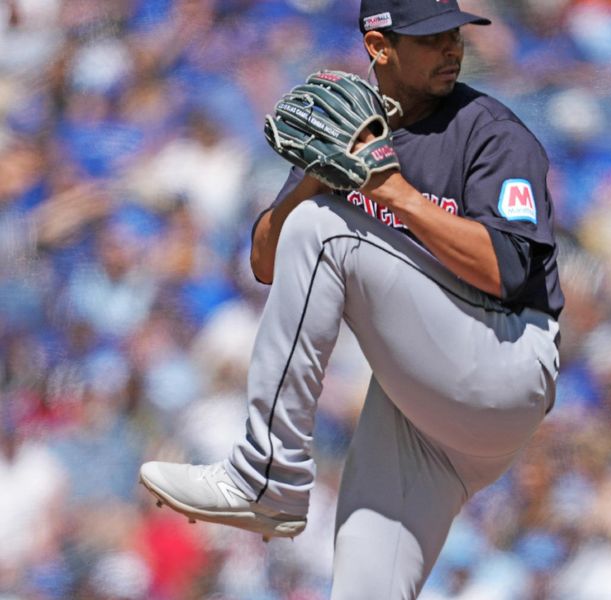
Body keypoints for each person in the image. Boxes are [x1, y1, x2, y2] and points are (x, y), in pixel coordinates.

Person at [139, 0, 564, 597]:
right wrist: (315, 174)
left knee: (321, 227)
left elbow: (507, 270)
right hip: (418, 407)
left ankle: (269, 475)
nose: (451, 48)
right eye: (430, 37)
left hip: (503, 356)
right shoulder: (353, 124)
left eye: (454, 34)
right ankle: (273, 482)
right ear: (378, 46)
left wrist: (396, 194)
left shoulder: (491, 133)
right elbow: (265, 261)